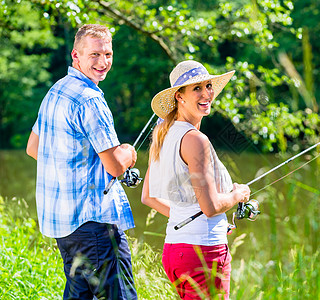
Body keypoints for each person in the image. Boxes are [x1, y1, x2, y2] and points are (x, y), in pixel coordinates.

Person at [26, 24, 138, 300]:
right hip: (94, 225)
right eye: (94, 55)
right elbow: (115, 166)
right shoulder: (90, 100)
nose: (103, 62)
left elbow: (33, 148)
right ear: (76, 55)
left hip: (65, 228)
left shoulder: (57, 90)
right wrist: (129, 152)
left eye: (108, 54)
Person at [141, 60, 251, 299]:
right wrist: (237, 195)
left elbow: (148, 197)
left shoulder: (162, 135)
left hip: (174, 252)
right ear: (179, 97)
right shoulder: (195, 140)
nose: (206, 94)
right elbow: (210, 207)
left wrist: (204, 223)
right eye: (196, 89)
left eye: (208, 86)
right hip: (204, 255)